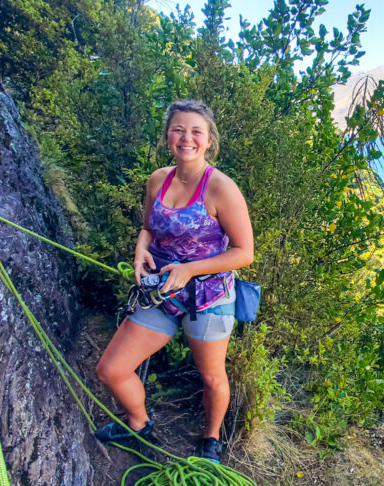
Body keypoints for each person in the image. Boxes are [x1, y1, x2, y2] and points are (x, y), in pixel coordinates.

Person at [94, 100, 254, 464]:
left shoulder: (220, 188)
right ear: (168, 137)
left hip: (208, 298)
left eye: (197, 131)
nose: (187, 138)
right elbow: (148, 227)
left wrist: (190, 269)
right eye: (179, 130)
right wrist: (140, 252)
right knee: (111, 370)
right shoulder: (158, 179)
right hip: (162, 296)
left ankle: (211, 440)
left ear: (209, 140)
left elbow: (245, 253)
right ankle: (138, 425)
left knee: (212, 378)